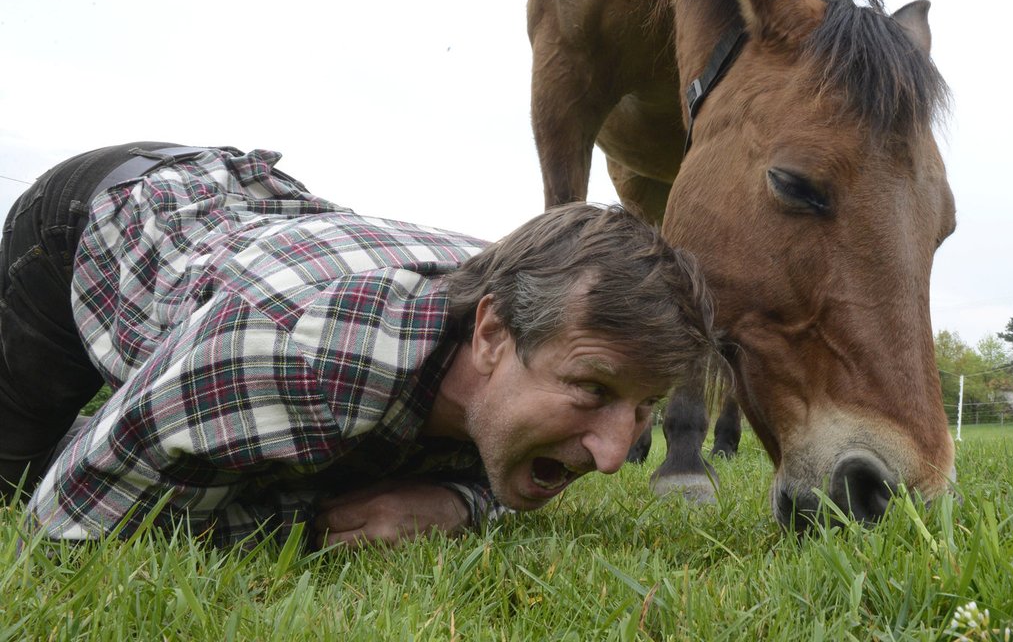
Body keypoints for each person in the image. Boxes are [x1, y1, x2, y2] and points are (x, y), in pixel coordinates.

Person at [0, 143, 727, 547]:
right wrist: (313, 522)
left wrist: (455, 503)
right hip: (92, 221)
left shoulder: (533, 316)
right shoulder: (289, 356)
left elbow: (504, 465)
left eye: (643, 408)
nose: (610, 457)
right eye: (594, 391)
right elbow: (67, 518)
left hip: (267, 222)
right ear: (493, 335)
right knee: (14, 481)